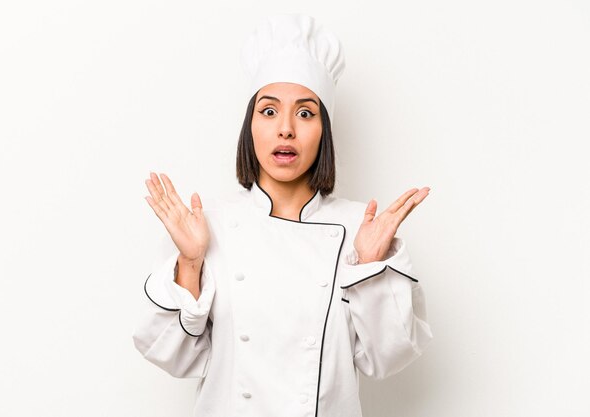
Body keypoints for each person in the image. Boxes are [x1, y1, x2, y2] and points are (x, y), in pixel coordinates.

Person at [132, 13, 433, 417]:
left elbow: (387, 358)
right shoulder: (209, 227)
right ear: (250, 126)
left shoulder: (361, 229)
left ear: (323, 130)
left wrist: (370, 265)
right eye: (269, 111)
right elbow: (175, 358)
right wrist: (191, 261)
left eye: (305, 113)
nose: (286, 129)